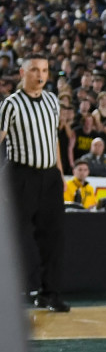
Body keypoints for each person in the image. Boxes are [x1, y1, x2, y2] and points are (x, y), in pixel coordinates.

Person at [0, 55, 69, 311]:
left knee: (54, 238)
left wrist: (60, 172)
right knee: (14, 237)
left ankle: (49, 293)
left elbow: (53, 139)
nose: (40, 75)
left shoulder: (52, 100)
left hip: (49, 176)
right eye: (35, 70)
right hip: (22, 176)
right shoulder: (11, 104)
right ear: (22, 72)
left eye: (45, 70)